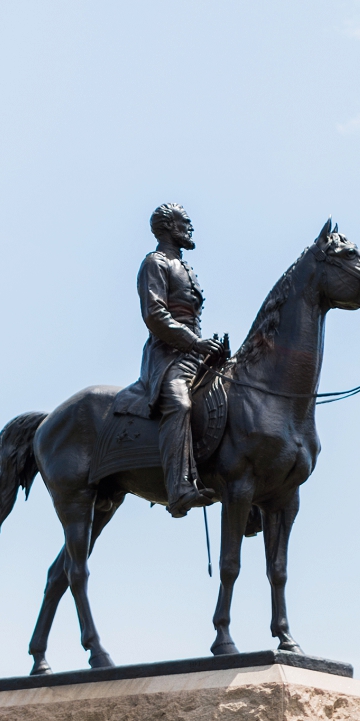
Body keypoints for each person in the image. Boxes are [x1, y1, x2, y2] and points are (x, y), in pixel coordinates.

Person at [111, 203, 224, 518]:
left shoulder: (185, 267)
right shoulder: (155, 263)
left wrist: (208, 348)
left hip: (196, 357)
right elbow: (155, 314)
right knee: (180, 404)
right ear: (167, 226)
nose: (189, 227)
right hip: (167, 357)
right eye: (184, 222)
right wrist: (194, 342)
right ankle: (179, 488)